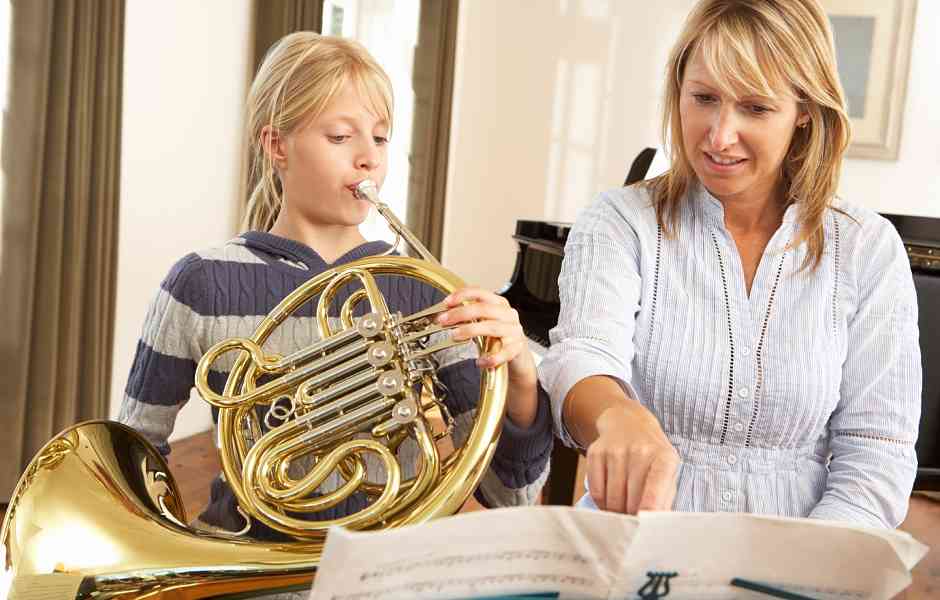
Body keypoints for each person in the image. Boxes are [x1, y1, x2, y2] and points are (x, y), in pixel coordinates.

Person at [118, 32, 552, 545]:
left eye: (381, 137)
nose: (368, 157)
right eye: (341, 137)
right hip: (247, 566)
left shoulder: (424, 293)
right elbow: (134, 455)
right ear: (277, 144)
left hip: (389, 569)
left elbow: (510, 496)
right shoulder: (200, 282)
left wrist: (522, 380)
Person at [538, 0, 921, 529]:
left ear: (804, 109)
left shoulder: (867, 248)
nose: (719, 136)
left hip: (804, 561)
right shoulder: (619, 221)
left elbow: (876, 455)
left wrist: (795, 575)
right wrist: (616, 413)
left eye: (756, 108)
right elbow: (581, 359)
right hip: (634, 548)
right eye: (704, 98)